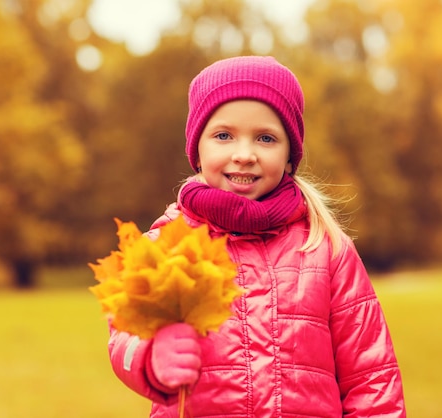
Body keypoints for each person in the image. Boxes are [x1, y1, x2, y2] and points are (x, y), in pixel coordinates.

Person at [106, 56, 406, 417]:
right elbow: (122, 338)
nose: (244, 155)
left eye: (265, 138)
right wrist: (151, 356)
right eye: (223, 136)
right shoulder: (166, 247)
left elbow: (371, 377)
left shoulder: (326, 248)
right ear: (197, 152)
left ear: (290, 156)